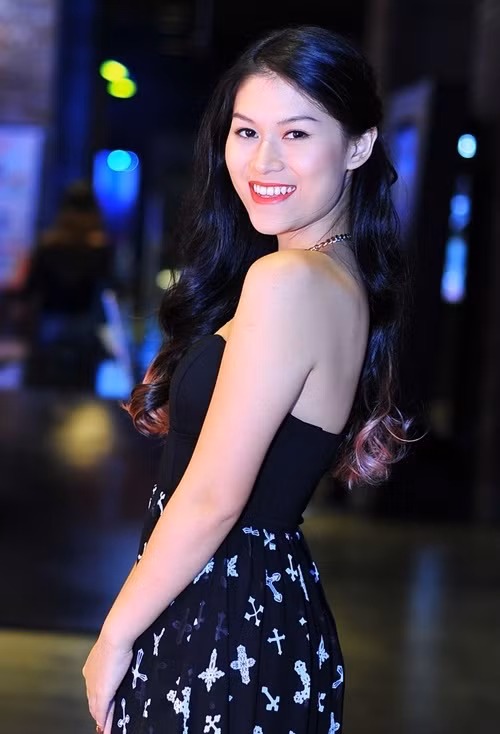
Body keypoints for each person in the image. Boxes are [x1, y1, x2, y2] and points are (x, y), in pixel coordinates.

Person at [83, 25, 414, 733]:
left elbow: (212, 498)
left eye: (296, 133)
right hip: (248, 619)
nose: (264, 160)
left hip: (220, 627)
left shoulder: (289, 280)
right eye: (246, 132)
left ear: (358, 146)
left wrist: (113, 636)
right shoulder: (333, 276)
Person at [23, 181, 113, 389]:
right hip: (84, 322)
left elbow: (32, 287)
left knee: (46, 384)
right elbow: (107, 288)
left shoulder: (49, 245)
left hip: (52, 321)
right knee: (82, 386)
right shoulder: (100, 249)